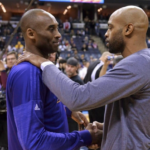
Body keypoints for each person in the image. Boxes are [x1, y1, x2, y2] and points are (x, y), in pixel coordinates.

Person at [18, 6, 150, 150]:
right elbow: (140, 120)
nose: (106, 34)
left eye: (111, 28)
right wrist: (109, 129)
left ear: (128, 29)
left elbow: (78, 98)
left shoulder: (138, 63)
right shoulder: (144, 60)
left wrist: (44, 63)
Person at [7, 9, 102, 150]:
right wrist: (86, 137)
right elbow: (34, 142)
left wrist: (67, 111)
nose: (58, 35)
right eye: (51, 29)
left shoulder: (43, 68)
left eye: (57, 29)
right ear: (31, 33)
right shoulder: (27, 72)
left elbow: (44, 103)